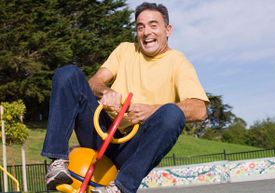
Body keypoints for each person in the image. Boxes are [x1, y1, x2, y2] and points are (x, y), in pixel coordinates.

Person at [41, 2, 209, 193]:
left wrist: (152, 111)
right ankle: (57, 163)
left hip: (132, 148)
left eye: (154, 25)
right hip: (101, 131)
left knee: (172, 113)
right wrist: (106, 92)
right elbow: (94, 82)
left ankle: (121, 187)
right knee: (68, 74)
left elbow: (199, 109)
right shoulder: (125, 50)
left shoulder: (179, 63)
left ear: (167, 30)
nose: (147, 32)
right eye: (140, 27)